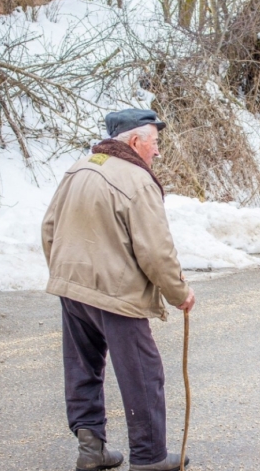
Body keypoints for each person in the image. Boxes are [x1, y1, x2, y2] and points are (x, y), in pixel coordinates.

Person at [42, 109, 195, 471]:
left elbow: (49, 227)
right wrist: (179, 293)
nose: (157, 152)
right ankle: (148, 457)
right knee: (143, 373)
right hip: (115, 293)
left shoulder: (78, 168)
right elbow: (156, 251)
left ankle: (91, 450)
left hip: (73, 287)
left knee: (83, 368)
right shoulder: (137, 180)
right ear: (134, 141)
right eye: (154, 143)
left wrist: (65, 273)